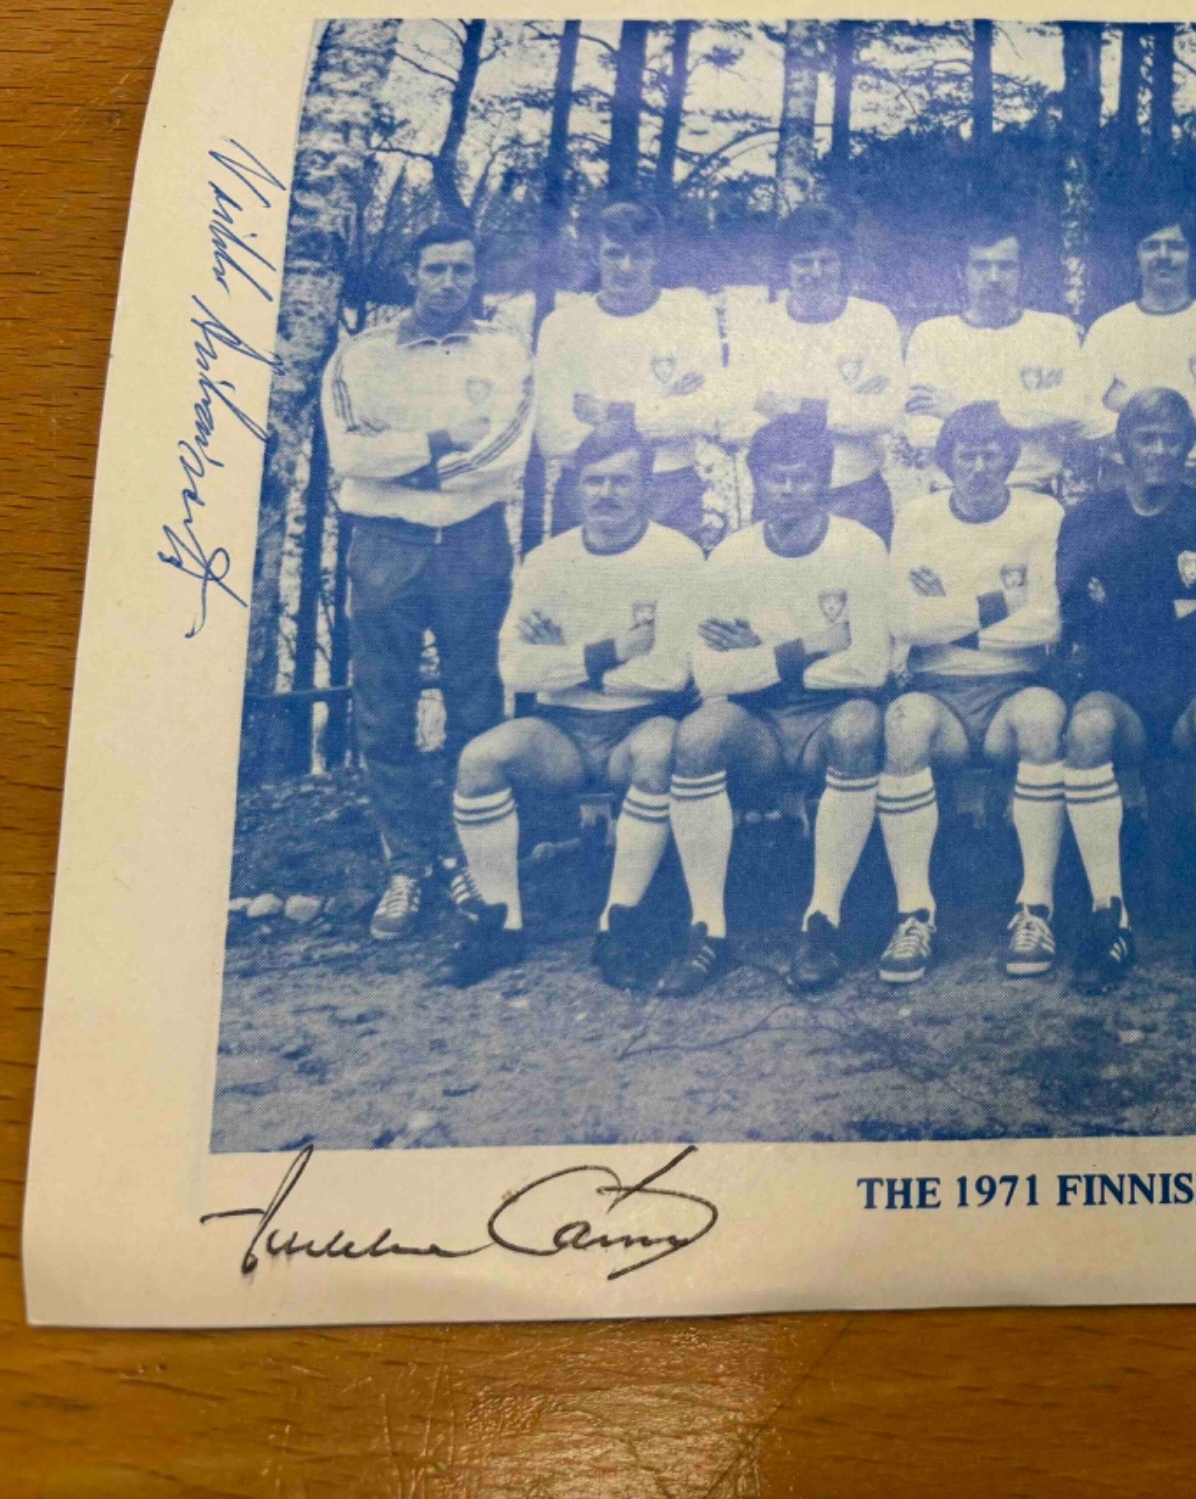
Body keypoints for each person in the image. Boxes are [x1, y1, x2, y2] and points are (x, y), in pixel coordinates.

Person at [320, 222, 534, 941]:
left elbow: (507, 453)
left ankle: (467, 858)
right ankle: (407, 866)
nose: (449, 282)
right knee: (384, 708)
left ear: (476, 276)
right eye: (435, 269)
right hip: (387, 545)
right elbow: (349, 454)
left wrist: (405, 465)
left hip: (473, 542)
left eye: (461, 270)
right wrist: (439, 443)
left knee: (476, 703)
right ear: (412, 273)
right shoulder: (363, 355)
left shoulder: (504, 350)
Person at [448, 427, 700, 989]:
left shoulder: (677, 556)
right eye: (594, 481)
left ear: (647, 488)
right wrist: (607, 651)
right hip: (561, 729)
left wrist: (563, 655)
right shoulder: (546, 562)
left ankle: (620, 923)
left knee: (661, 750)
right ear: (577, 489)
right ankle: (501, 924)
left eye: (621, 481)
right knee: (480, 759)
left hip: (640, 723)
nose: (606, 493)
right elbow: (516, 670)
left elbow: (670, 673)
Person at [666, 414, 901, 998]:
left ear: (823, 480)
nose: (789, 490)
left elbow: (869, 666)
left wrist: (761, 651)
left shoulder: (859, 546)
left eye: (802, 478)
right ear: (758, 481)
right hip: (760, 720)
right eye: (777, 478)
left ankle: (822, 922)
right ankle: (707, 930)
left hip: (831, 712)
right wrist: (810, 645)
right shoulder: (731, 556)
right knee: (698, 735)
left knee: (859, 727)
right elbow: (712, 672)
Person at [1056, 390, 1196, 992]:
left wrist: (1128, 609)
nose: (1160, 450)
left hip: (1194, 686)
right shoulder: (1088, 518)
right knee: (1087, 729)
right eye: (1147, 438)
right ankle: (1108, 915)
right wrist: (1168, 611)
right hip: (1120, 690)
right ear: (1124, 446)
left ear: (1188, 448)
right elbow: (1078, 616)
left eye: (1172, 439)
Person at [880, 404, 1069, 985]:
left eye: (992, 454)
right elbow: (904, 622)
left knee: (1043, 718)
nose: (980, 467)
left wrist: (950, 611)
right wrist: (1000, 604)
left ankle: (1035, 908)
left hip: (1016, 684)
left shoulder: (1041, 513)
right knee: (904, 724)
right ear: (947, 461)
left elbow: (1047, 620)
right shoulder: (918, 517)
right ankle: (914, 913)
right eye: (967, 455)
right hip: (939, 690)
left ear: (1010, 459)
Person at [533, 200, 722, 543]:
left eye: (640, 254)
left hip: (670, 489)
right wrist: (662, 406)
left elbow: (704, 414)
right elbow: (553, 436)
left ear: (657, 256)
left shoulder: (690, 313)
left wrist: (611, 412)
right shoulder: (562, 326)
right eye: (614, 254)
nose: (626, 266)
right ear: (595, 255)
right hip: (587, 491)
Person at [719, 205, 905, 543]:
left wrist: (792, 407)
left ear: (843, 263)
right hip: (780, 501)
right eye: (803, 262)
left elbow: (886, 413)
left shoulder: (873, 320)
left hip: (856, 495)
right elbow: (734, 420)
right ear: (785, 266)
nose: (816, 273)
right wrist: (845, 407)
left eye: (827, 261)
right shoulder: (757, 325)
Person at [902, 230, 1088, 496]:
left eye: (1005, 266)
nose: (993, 278)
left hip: (1032, 492)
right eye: (981, 266)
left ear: (1021, 272)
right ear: (961, 273)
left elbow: (1070, 409)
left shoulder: (1054, 331)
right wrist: (1027, 414)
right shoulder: (931, 335)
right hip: (953, 496)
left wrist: (958, 409)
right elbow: (922, 433)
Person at [1079, 216, 1196, 497]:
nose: (1163, 256)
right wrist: (1186, 407)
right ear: (1136, 256)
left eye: (1175, 246)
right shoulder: (1108, 327)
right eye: (1151, 246)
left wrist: (1128, 401)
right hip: (1123, 481)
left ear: (1191, 255)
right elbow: (1085, 416)